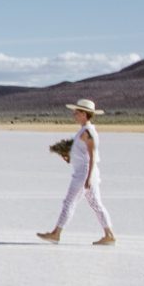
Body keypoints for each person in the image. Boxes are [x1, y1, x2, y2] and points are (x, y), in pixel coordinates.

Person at [38, 98, 116, 245]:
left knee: (69, 202)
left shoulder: (88, 132)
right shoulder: (84, 130)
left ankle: (56, 233)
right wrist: (68, 158)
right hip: (84, 172)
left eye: (77, 112)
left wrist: (87, 178)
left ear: (84, 114)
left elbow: (92, 156)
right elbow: (82, 155)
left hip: (84, 173)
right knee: (96, 204)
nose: (74, 115)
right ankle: (109, 234)